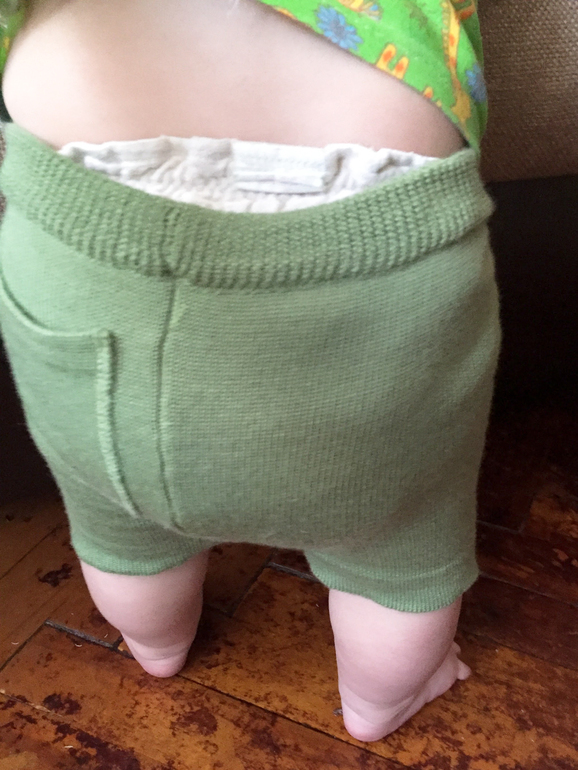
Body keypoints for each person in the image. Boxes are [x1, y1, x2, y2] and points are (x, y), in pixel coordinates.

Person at [0, 0, 500, 742]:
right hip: (386, 261)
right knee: (398, 555)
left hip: (87, 248)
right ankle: (380, 702)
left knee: (122, 532)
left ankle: (155, 643)